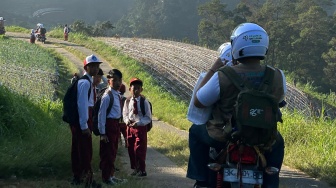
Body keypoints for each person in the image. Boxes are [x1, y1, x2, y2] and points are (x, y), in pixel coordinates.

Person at [186, 23, 286, 188]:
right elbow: (279, 101)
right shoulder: (277, 76)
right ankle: (271, 181)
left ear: (236, 46)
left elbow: (199, 101)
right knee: (278, 142)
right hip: (262, 138)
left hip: (224, 136)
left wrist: (215, 67)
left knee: (195, 132)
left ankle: (201, 181)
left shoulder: (223, 75)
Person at [70, 54, 102, 186]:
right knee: (85, 150)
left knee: (79, 149)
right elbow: (82, 105)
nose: (95, 68)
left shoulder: (87, 82)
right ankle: (87, 179)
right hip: (82, 120)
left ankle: (79, 177)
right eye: (92, 66)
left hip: (82, 119)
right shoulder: (85, 83)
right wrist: (84, 126)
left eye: (97, 66)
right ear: (86, 67)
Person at [97, 69, 126, 185]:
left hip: (115, 126)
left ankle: (111, 175)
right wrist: (103, 133)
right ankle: (106, 178)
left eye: (120, 80)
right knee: (107, 153)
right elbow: (101, 115)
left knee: (113, 152)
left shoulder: (117, 94)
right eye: (115, 80)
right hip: (108, 126)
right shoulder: (107, 96)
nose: (118, 83)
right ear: (109, 81)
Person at [123, 78, 152, 177]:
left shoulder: (144, 102)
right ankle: (135, 168)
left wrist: (138, 123)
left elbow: (148, 117)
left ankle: (142, 170)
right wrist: (127, 121)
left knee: (139, 149)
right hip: (130, 127)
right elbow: (125, 114)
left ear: (141, 90)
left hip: (140, 127)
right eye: (134, 88)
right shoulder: (127, 101)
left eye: (138, 88)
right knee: (131, 148)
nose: (136, 90)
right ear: (130, 89)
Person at [118, 83, 128, 147]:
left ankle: (119, 143)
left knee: (118, 131)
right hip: (124, 119)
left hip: (118, 119)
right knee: (125, 132)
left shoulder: (117, 98)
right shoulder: (126, 99)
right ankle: (127, 142)